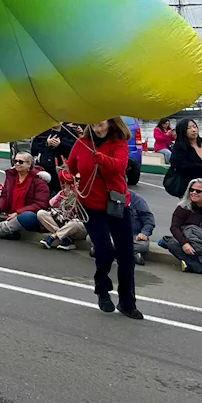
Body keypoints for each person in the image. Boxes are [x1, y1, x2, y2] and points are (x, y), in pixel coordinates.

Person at [64, 118, 142, 319]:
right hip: (92, 205)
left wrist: (100, 158)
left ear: (111, 121)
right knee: (104, 250)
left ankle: (127, 302)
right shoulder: (81, 143)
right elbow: (70, 168)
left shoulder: (119, 142)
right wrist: (66, 177)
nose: (98, 122)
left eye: (102, 118)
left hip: (117, 204)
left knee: (126, 256)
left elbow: (119, 166)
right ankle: (102, 290)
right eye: (94, 118)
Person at [0, 152, 51, 239]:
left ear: (29, 164)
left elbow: (41, 204)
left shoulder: (39, 180)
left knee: (28, 216)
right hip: (8, 213)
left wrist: (18, 213)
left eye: (21, 162)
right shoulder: (11, 177)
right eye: (15, 161)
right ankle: (9, 231)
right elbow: (4, 196)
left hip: (24, 215)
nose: (17, 163)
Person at [164, 118, 202, 198]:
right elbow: (182, 166)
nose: (194, 130)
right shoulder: (180, 147)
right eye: (189, 128)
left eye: (195, 126)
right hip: (189, 187)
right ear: (183, 131)